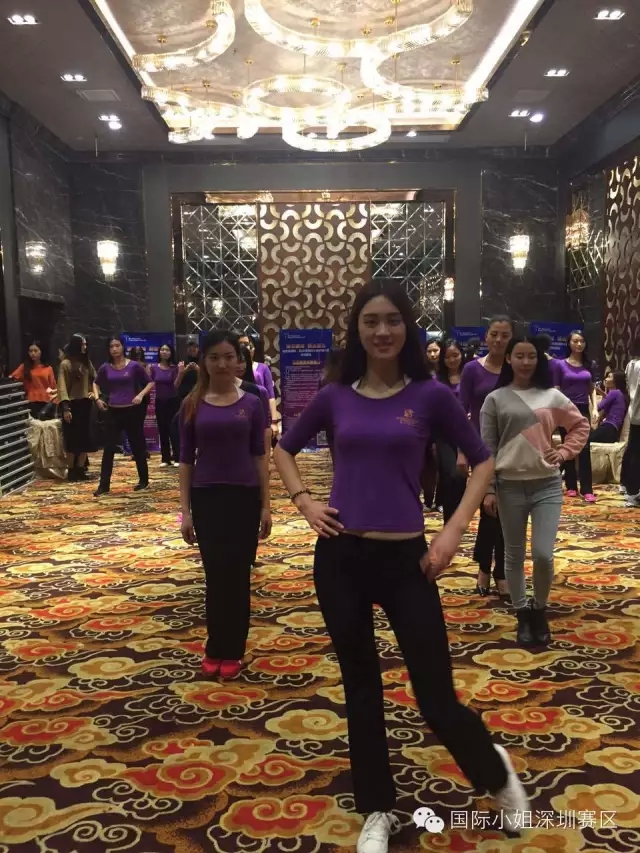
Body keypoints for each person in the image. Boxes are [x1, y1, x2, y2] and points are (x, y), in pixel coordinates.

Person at [274, 280, 528, 852]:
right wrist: (303, 501)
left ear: (407, 328)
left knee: (433, 693)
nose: (382, 331)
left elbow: (482, 463)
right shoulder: (335, 396)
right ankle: (377, 809)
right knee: (361, 686)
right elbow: (283, 448)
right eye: (371, 321)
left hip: (407, 560)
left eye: (392, 320)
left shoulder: (430, 395)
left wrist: (453, 531)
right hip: (340, 557)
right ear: (356, 329)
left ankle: (493, 772)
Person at [480, 337, 589, 647]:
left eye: (531, 356)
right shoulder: (495, 399)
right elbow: (486, 448)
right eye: (520, 356)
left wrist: (564, 452)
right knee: (513, 554)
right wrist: (488, 489)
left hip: (546, 485)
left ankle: (539, 609)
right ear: (509, 359)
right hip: (509, 486)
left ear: (539, 360)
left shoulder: (552, 396)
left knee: (543, 554)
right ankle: (522, 614)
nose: (526, 362)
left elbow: (581, 426)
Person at [179, 330, 271, 679]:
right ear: (203, 361)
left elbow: (260, 456)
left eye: (229, 357)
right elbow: (185, 460)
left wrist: (266, 505)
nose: (222, 364)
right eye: (214, 357)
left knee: (238, 575)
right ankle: (215, 645)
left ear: (239, 360)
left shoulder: (253, 402)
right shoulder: (192, 403)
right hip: (206, 497)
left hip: (244, 496)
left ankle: (233, 648)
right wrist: (185, 512)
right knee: (215, 574)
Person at [459, 316, 513, 599]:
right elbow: (461, 411)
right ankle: (485, 568)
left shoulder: (516, 368)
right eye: (494, 334)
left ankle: (499, 570)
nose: (499, 340)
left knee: (508, 513)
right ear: (486, 337)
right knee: (489, 510)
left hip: (512, 449)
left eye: (505, 335)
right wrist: (461, 451)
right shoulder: (472, 369)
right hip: (481, 449)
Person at [93, 336, 153, 497]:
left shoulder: (133, 366)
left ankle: (143, 480)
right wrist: (97, 399)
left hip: (131, 410)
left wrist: (140, 395)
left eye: (117, 345)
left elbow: (150, 382)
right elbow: (95, 383)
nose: (114, 349)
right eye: (111, 346)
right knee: (109, 448)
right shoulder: (106, 367)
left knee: (137, 446)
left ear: (122, 347)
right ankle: (104, 485)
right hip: (113, 411)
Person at [553, 331, 596, 502]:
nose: (579, 344)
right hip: (566, 408)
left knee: (584, 448)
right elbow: (556, 389)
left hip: (583, 408)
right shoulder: (560, 364)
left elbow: (592, 388)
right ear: (569, 343)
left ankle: (587, 488)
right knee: (568, 446)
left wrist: (595, 408)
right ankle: (571, 485)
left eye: (582, 341)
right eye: (576, 341)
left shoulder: (589, 364)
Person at [58, 334, 98, 482]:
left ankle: (81, 469)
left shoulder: (86, 362)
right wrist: (66, 408)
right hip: (72, 405)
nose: (85, 347)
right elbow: (62, 386)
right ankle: (71, 470)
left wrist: (93, 393)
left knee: (85, 438)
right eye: (82, 344)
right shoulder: (66, 364)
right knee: (72, 439)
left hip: (85, 404)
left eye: (86, 344)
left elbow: (95, 378)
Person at [435, 338, 467, 522]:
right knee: (450, 476)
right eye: (448, 357)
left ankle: (459, 518)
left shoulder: (469, 375)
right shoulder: (437, 380)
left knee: (464, 478)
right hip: (445, 434)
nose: (452, 360)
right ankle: (449, 519)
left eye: (456, 355)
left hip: (469, 432)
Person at [238, 333, 280, 432]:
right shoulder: (233, 368)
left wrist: (274, 421)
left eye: (248, 344)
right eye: (241, 344)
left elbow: (270, 395)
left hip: (261, 410)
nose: (246, 347)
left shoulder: (263, 367)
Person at [10, 341, 57, 418]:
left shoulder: (48, 368)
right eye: (30, 351)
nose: (33, 353)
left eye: (35, 351)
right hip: (31, 401)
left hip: (47, 402)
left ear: (41, 352)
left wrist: (54, 402)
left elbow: (53, 386)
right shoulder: (25, 366)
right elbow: (12, 377)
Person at [151, 343, 180, 466]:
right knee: (162, 430)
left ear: (171, 352)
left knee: (174, 430)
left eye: (167, 350)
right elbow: (150, 383)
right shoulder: (153, 367)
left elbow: (176, 385)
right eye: (162, 349)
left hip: (172, 400)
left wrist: (181, 372)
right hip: (159, 401)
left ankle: (177, 457)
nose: (164, 352)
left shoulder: (175, 368)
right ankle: (165, 458)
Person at [621, 336, 640, 506]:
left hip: (634, 412)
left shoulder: (631, 364)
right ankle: (633, 492)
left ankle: (627, 486)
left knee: (633, 449)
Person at [591, 370, 628, 443]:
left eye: (609, 377)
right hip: (613, 430)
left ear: (615, 381)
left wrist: (592, 393)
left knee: (584, 442)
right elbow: (608, 398)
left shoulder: (614, 392)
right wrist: (600, 392)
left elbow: (598, 407)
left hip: (608, 427)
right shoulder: (619, 393)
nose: (605, 379)